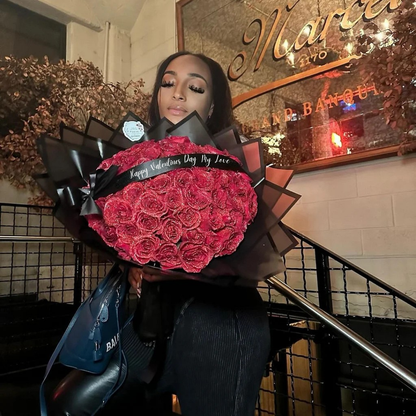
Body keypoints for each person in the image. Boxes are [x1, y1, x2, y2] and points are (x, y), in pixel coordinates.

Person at [47, 51, 271, 416]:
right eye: (168, 83)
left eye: (195, 87)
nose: (178, 92)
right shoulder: (134, 159)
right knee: (68, 405)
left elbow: (244, 258)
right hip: (149, 328)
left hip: (217, 329)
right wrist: (133, 263)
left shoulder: (231, 171)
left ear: (212, 106)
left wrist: (180, 264)